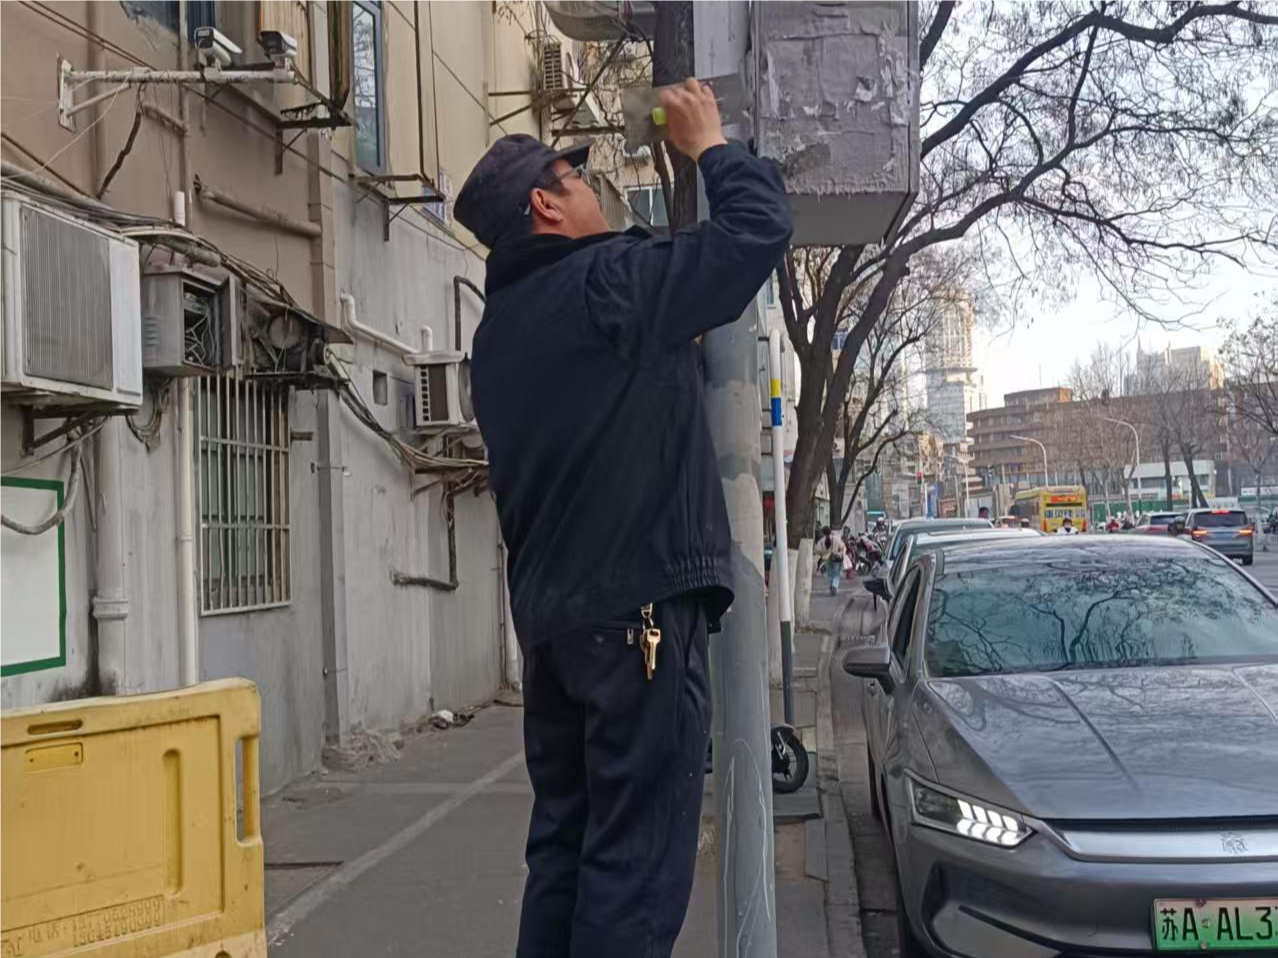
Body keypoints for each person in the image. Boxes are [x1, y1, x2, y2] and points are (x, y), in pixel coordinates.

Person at [457, 79, 792, 958]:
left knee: (565, 856)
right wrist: (710, 146)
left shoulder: (497, 338)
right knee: (632, 871)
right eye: (576, 179)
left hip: (556, 636)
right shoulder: (605, 286)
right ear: (546, 206)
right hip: (637, 619)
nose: (592, 190)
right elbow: (757, 231)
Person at [818, 526, 847, 595]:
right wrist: (842, 555)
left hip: (827, 559)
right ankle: (834, 585)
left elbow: (817, 550)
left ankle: (831, 586)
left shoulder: (822, 540)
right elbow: (843, 547)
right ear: (830, 531)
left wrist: (823, 554)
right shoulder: (836, 539)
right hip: (836, 558)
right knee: (836, 574)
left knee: (829, 574)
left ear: (823, 533)